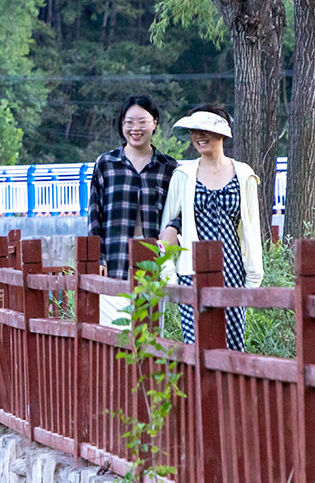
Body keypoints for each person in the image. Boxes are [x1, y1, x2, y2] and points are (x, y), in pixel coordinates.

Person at [158, 105, 263, 351]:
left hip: (232, 272)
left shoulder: (244, 175)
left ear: (223, 134)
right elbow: (166, 231)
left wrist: (253, 276)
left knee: (234, 346)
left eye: (205, 130)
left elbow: (252, 230)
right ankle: (199, 392)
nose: (199, 136)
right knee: (197, 345)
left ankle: (234, 392)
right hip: (191, 272)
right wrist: (169, 274)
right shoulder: (183, 175)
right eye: (194, 131)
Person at [87, 95, 179, 328]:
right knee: (115, 332)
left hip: (155, 263)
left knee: (152, 331)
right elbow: (94, 215)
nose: (135, 128)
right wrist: (98, 257)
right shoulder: (106, 163)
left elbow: (183, 210)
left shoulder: (169, 167)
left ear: (155, 122)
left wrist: (173, 227)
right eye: (128, 122)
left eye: (142, 122)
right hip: (115, 260)